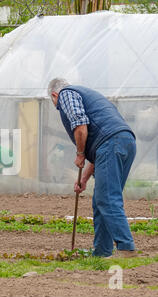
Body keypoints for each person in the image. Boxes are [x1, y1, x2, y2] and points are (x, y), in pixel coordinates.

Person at [48, 78, 137, 258]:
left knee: (107, 198)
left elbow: (80, 125)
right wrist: (84, 179)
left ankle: (126, 248)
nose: (58, 107)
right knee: (101, 199)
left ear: (54, 95)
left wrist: (80, 153)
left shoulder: (66, 94)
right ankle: (102, 252)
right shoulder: (88, 95)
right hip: (124, 142)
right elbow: (99, 150)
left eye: (54, 104)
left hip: (111, 144)